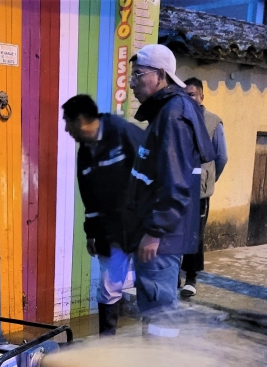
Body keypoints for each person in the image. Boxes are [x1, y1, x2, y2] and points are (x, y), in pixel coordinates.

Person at [124, 44, 215, 337]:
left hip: (159, 238)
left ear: (160, 75)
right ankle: (156, 366)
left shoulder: (173, 115)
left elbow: (175, 183)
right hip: (156, 233)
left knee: (160, 310)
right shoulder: (168, 111)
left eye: (138, 74)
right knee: (155, 307)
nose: (132, 82)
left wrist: (154, 232)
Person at [62, 94, 145, 336]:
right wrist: (92, 234)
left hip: (141, 229)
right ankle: (107, 345)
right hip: (111, 232)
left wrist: (155, 226)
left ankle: (154, 349)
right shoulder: (85, 152)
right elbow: (89, 198)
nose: (66, 130)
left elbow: (152, 174)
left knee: (150, 287)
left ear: (80, 121)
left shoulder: (123, 133)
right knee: (109, 288)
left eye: (67, 122)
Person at [181, 77, 228, 298]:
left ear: (201, 96)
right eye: (184, 94)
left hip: (199, 190)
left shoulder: (213, 121)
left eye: (191, 94)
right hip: (177, 187)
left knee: (194, 235)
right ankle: (174, 276)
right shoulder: (178, 119)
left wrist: (210, 179)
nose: (188, 98)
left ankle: (191, 278)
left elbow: (222, 156)